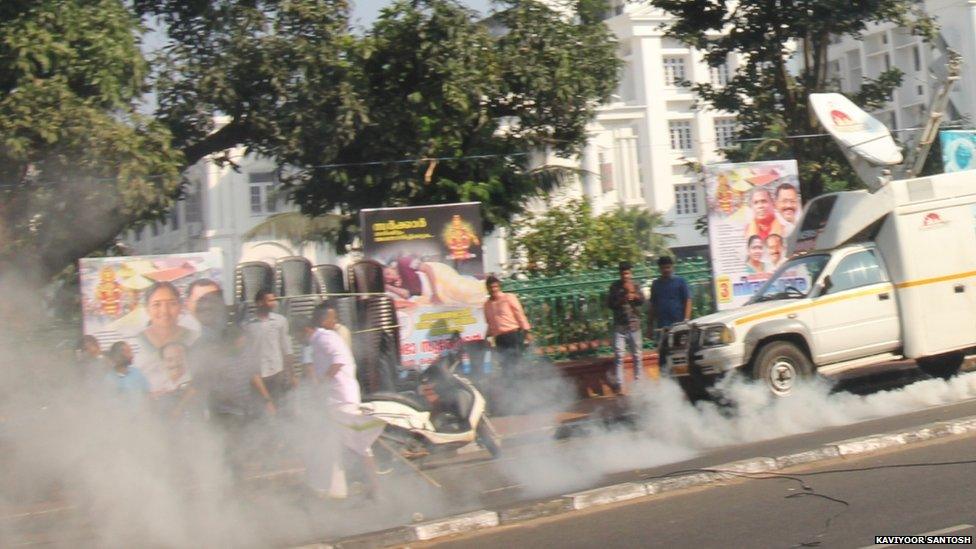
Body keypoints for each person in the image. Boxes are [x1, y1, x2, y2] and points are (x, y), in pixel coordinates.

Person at [306, 301, 382, 500]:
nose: (336, 321)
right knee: (340, 441)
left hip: (341, 399)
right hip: (341, 398)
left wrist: (322, 385)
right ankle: (339, 488)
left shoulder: (323, 337)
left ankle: (371, 488)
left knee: (357, 443)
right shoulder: (325, 337)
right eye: (333, 318)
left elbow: (338, 360)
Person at [136, 282, 197, 391]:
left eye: (171, 303)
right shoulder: (134, 344)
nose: (165, 311)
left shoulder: (195, 339)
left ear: (180, 306)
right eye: (156, 304)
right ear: (147, 309)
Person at [242, 289, 295, 416]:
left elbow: (286, 348)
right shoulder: (247, 324)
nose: (274, 303)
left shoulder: (280, 321)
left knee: (279, 409)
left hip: (277, 372)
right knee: (260, 411)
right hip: (258, 375)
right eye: (270, 300)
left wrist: (292, 374)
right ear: (260, 303)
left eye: (274, 300)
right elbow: (246, 353)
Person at [483, 275, 532, 381]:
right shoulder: (487, 305)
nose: (493, 289)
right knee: (505, 366)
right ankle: (512, 391)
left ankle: (524, 387)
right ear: (487, 288)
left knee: (516, 364)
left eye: (495, 286)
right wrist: (487, 337)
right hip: (499, 339)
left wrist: (527, 332)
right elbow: (490, 323)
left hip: (513, 335)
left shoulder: (508, 298)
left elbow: (519, 314)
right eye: (491, 287)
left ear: (499, 287)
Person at [648, 256, 692, 374]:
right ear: (659, 269)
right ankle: (665, 381)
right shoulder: (656, 284)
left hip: (679, 325)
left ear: (672, 267)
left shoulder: (680, 282)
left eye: (668, 267)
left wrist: (686, 319)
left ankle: (683, 378)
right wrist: (650, 325)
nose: (666, 270)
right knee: (663, 354)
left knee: (680, 352)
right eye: (663, 268)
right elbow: (652, 305)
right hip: (663, 326)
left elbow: (688, 300)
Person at [607, 261, 645, 393]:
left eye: (628, 273)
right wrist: (622, 299)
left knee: (637, 355)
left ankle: (638, 384)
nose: (626, 276)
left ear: (631, 273)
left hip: (634, 325)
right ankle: (620, 384)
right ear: (620, 274)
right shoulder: (614, 287)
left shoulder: (636, 285)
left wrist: (634, 295)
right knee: (619, 355)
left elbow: (642, 301)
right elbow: (610, 304)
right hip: (620, 326)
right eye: (623, 273)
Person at [154, 342, 197, 420]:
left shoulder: (196, 380)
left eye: (179, 358)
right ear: (163, 362)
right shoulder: (156, 384)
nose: (175, 363)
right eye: (169, 360)